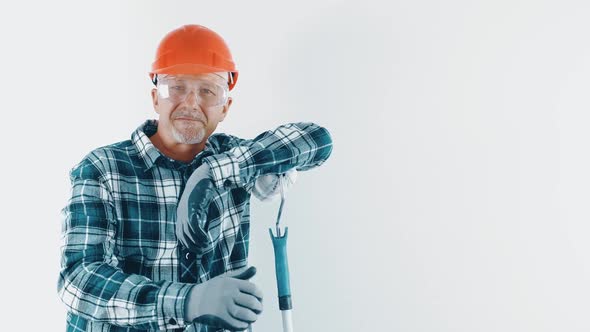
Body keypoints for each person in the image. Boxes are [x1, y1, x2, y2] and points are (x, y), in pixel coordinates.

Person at [57, 24, 333, 332]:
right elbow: (78, 282)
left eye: (207, 91)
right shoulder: (102, 169)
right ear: (155, 98)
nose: (190, 102)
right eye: (176, 87)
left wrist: (212, 173)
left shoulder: (235, 157)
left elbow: (317, 141)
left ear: (225, 107)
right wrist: (187, 301)